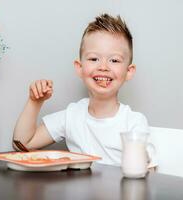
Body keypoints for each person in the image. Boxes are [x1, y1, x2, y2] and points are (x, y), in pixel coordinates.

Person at [13, 13, 157, 167]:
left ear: (129, 71)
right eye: (94, 59)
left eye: (114, 60)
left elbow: (147, 171)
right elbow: (22, 144)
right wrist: (35, 102)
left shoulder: (133, 123)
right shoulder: (72, 116)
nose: (103, 67)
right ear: (80, 68)